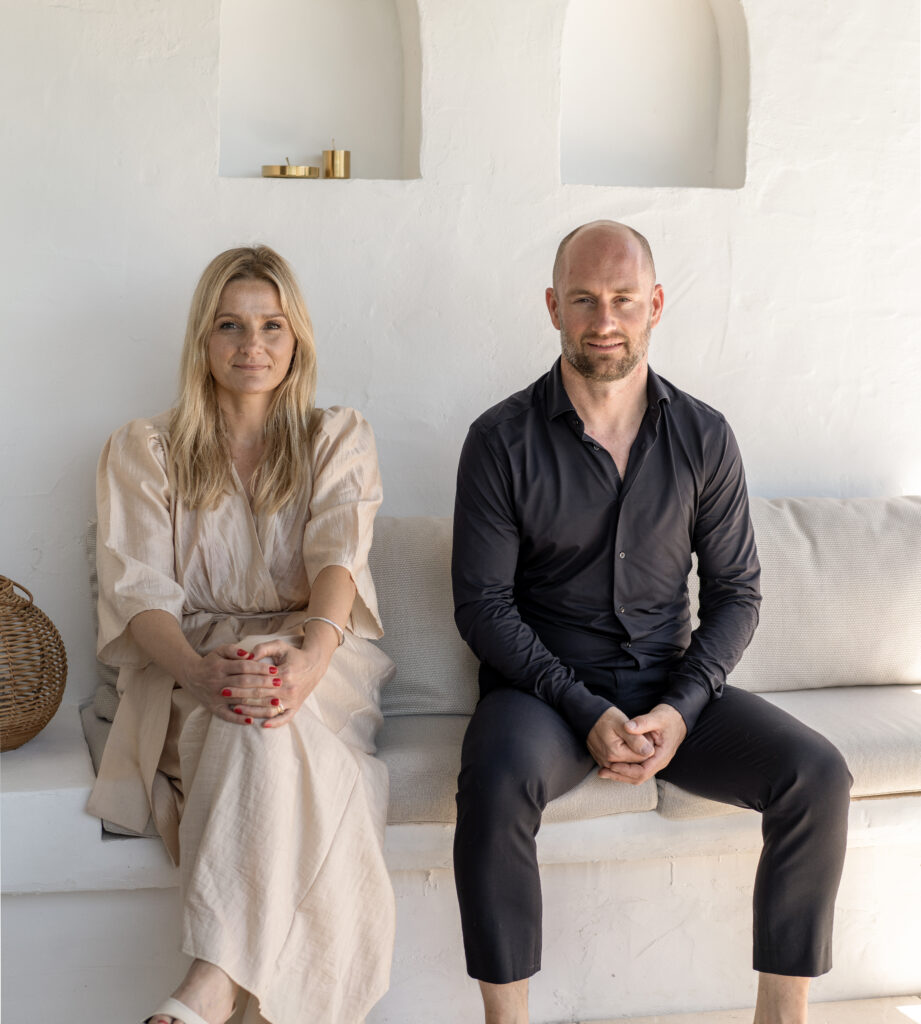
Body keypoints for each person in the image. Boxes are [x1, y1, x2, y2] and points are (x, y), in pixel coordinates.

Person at [451, 221, 852, 1024]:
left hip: (667, 690)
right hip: (541, 698)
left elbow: (737, 592)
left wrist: (678, 709)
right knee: (493, 783)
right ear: (552, 308)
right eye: (584, 300)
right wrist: (583, 710)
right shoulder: (500, 440)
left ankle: (781, 1014)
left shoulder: (703, 435)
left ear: (655, 306)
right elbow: (483, 608)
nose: (604, 320)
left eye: (623, 300)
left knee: (818, 774)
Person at [86, 245, 396, 1024]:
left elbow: (338, 561)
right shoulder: (144, 449)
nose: (251, 345)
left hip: (321, 652)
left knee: (264, 697)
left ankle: (209, 984)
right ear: (202, 339)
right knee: (259, 724)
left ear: (297, 341)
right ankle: (233, 996)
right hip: (185, 660)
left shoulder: (336, 438)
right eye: (229, 325)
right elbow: (138, 590)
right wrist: (198, 671)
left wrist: (308, 656)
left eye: (270, 325)